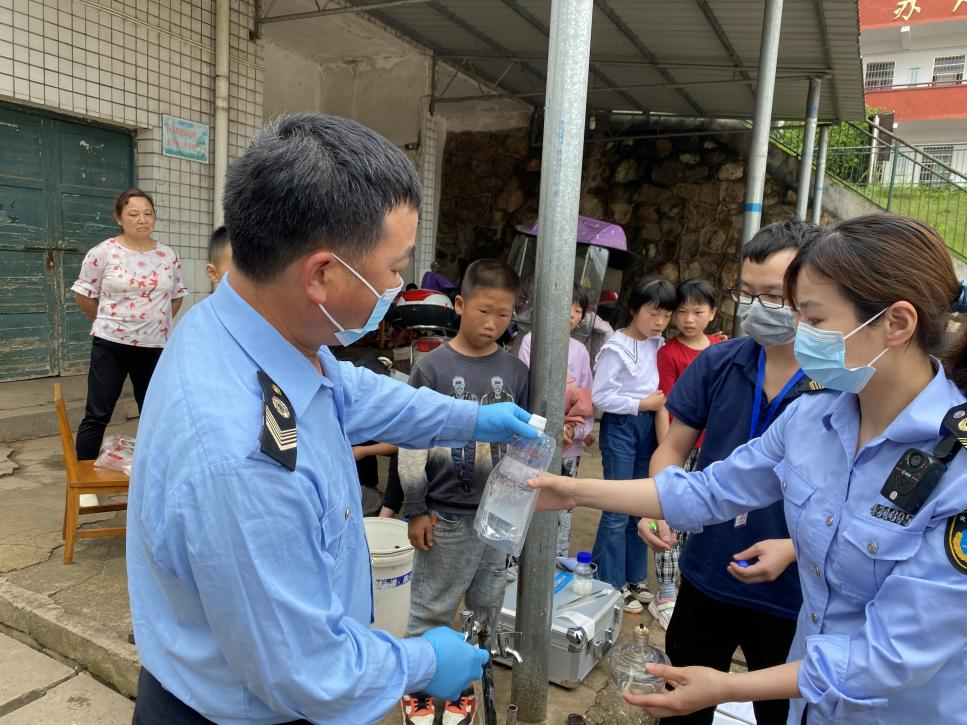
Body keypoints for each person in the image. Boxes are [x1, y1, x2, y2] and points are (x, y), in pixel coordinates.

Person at [126, 113, 538, 725]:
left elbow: (353, 393)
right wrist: (422, 660)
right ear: (321, 273)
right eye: (395, 267)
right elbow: (306, 671)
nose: (399, 286)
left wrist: (474, 420)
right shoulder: (242, 458)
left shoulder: (245, 326)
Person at [530, 213, 967, 724]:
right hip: (813, 704)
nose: (799, 332)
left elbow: (892, 656)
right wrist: (571, 489)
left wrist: (727, 687)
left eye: (815, 318)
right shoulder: (816, 415)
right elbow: (710, 491)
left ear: (895, 323)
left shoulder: (954, 466)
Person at [640, 220, 819, 725]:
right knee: (681, 706)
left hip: (793, 595)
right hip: (708, 573)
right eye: (749, 293)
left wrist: (795, 548)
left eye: (775, 295)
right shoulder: (720, 363)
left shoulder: (838, 381)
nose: (760, 308)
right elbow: (672, 449)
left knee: (783, 714)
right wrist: (659, 505)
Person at [399, 259, 530, 725]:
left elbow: (521, 444)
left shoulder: (515, 372)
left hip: (497, 517)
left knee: (485, 605)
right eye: (483, 311)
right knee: (433, 605)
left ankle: (463, 685)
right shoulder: (432, 366)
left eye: (504, 314)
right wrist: (415, 508)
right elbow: (412, 442)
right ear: (460, 305)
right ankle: (417, 685)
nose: (493, 323)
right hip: (446, 516)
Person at [71, 189, 187, 466]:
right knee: (98, 412)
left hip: (154, 346)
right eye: (133, 214)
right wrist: (105, 322)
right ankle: (83, 483)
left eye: (148, 214)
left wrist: (154, 322)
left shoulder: (167, 255)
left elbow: (177, 294)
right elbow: (83, 293)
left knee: (153, 412)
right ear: (119, 218)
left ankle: (153, 473)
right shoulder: (103, 252)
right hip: (110, 343)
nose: (142, 220)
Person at [590, 277, 675, 612]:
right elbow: (601, 397)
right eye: (653, 314)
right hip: (623, 425)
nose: (659, 322)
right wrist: (642, 404)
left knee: (642, 506)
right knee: (616, 506)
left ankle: (634, 577)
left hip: (652, 425)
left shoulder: (660, 343)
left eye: (666, 315)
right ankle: (609, 581)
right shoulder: (616, 347)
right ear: (633, 309)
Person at [648, 278, 724, 630]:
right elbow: (666, 403)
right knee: (670, 515)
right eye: (682, 311)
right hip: (684, 446)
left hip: (717, 449)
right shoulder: (670, 353)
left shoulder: (724, 350)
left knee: (706, 519)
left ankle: (690, 584)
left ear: (713, 313)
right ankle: (664, 591)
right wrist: (668, 452)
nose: (689, 318)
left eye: (698, 311)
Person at [518, 283, 594, 556]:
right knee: (530, 495)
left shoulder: (581, 351)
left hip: (569, 444)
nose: (573, 314)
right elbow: (530, 390)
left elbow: (586, 397)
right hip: (538, 439)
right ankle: (522, 557)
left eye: (578, 310)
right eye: (568, 307)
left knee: (564, 501)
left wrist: (576, 430)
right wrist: (550, 427)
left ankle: (558, 556)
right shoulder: (531, 342)